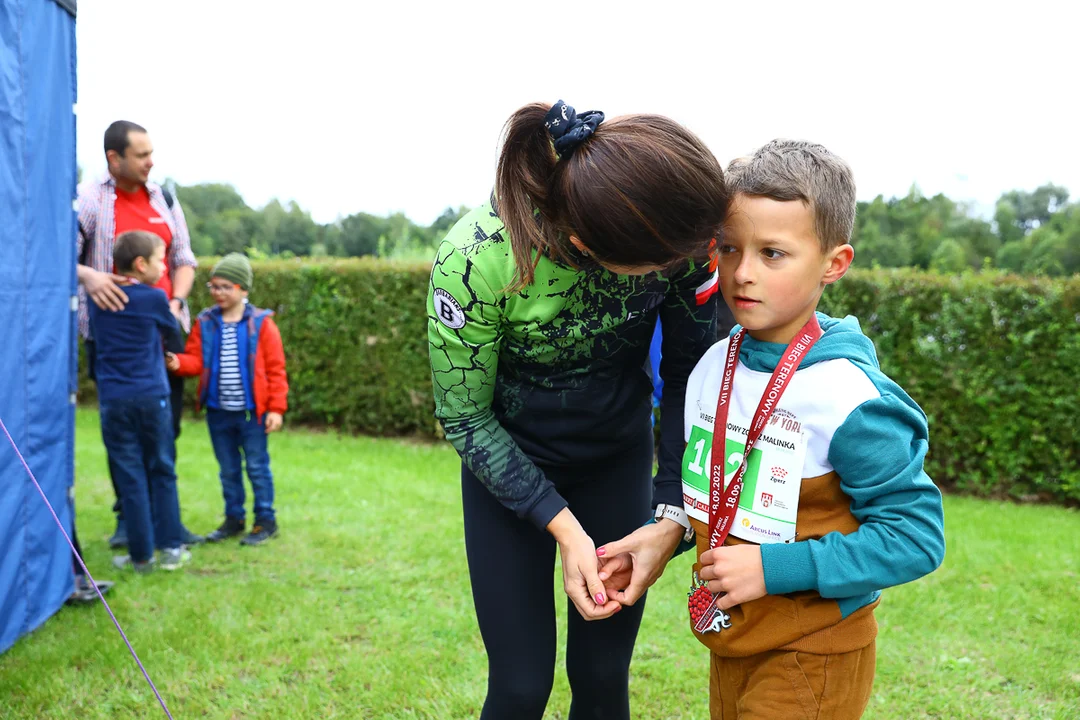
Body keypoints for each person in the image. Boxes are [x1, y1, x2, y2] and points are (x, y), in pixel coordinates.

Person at [598, 139, 946, 719]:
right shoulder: (712, 367)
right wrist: (669, 531)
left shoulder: (849, 395)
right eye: (729, 249)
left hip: (813, 651)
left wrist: (774, 568)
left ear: (834, 263)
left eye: (773, 254)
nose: (743, 273)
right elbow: (724, 490)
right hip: (733, 641)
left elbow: (916, 537)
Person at [427, 100, 729, 720]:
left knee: (600, 674)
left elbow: (692, 378)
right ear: (585, 245)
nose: (693, 260)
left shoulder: (681, 238)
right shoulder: (473, 262)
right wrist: (564, 529)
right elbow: (465, 418)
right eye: (666, 262)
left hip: (616, 458)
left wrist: (671, 511)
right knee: (519, 685)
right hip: (510, 469)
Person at [76, 119, 202, 549]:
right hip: (111, 338)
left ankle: (166, 526)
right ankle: (130, 521)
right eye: (142, 155)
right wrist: (89, 277)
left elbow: (184, 257)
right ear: (115, 159)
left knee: (165, 429)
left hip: (165, 330)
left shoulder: (164, 198)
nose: (151, 162)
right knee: (125, 433)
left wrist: (175, 302)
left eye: (151, 153)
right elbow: (59, 252)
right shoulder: (91, 199)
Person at [167, 253, 288, 546]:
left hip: (252, 415)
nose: (217, 292)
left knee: (257, 467)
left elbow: (275, 369)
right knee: (228, 469)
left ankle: (265, 521)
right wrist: (177, 363)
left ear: (243, 290)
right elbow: (196, 360)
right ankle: (234, 519)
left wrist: (276, 409)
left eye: (225, 287)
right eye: (213, 286)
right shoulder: (205, 322)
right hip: (218, 413)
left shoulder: (262, 324)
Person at [89, 231, 190, 572]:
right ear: (141, 263)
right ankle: (172, 548)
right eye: (161, 259)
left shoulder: (98, 299)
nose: (165, 267)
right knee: (162, 469)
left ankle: (141, 557)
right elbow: (173, 334)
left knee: (129, 475)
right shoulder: (155, 299)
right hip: (152, 397)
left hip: (115, 401)